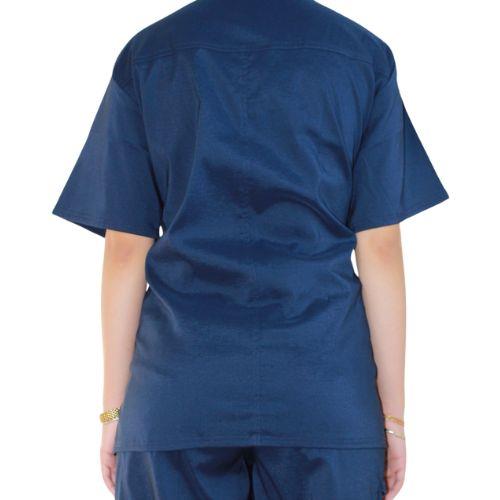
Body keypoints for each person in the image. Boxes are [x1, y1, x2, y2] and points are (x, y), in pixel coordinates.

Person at [52, 0, 448, 498]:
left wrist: (114, 412)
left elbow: (126, 250)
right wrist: (393, 418)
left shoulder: (149, 54)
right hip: (323, 387)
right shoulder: (362, 56)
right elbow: (381, 247)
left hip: (180, 390)